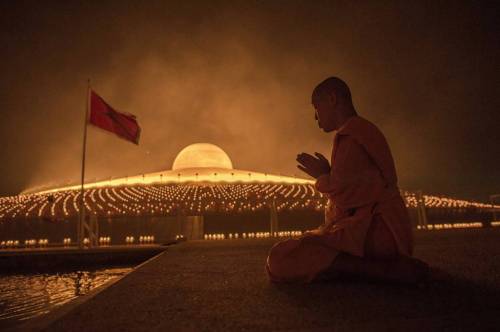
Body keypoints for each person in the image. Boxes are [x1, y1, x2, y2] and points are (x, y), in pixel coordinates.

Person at [266, 76, 430, 284]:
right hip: (383, 230)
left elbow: (347, 197)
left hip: (375, 233)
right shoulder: (362, 131)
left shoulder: (352, 134)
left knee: (280, 258)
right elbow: (359, 184)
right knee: (298, 249)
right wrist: (330, 173)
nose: (316, 118)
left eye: (316, 108)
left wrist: (322, 177)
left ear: (332, 99)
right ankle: (357, 269)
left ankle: (379, 271)